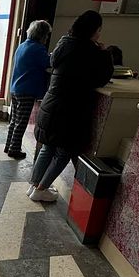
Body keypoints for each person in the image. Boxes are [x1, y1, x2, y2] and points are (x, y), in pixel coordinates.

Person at [29, 10, 113, 203]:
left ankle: (33, 186)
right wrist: (104, 53)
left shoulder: (64, 43)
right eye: (98, 30)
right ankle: (41, 189)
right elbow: (102, 77)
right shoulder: (89, 50)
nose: (99, 34)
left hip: (51, 104)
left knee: (47, 148)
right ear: (92, 30)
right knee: (63, 153)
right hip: (69, 112)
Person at [4, 19, 52, 158]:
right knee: (21, 122)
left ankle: (9, 146)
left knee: (14, 120)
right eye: (47, 35)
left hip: (15, 88)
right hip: (27, 90)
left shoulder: (22, 46)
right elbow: (48, 62)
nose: (47, 38)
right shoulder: (38, 49)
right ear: (42, 35)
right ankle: (14, 150)